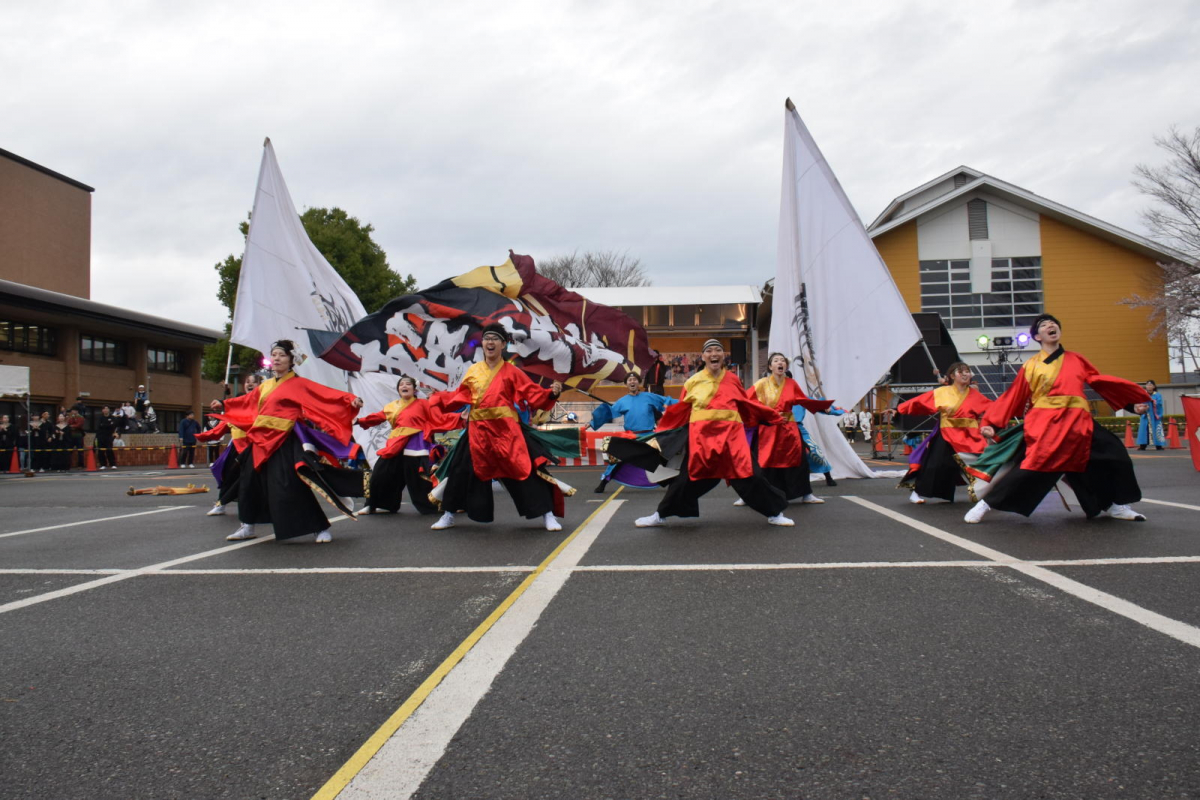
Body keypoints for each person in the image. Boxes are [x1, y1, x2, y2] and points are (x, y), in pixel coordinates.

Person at [964, 314, 1151, 524]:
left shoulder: (1076, 359)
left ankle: (1116, 505)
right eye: (1044, 325)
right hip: (1047, 423)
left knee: (1114, 453)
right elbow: (1013, 396)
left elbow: (1099, 381)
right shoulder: (1031, 365)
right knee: (1032, 469)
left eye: (1053, 323)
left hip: (1080, 422)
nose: (1050, 325)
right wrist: (990, 423)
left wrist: (1130, 404)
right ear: (1037, 336)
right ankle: (986, 504)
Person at [212, 339, 364, 544]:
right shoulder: (264, 386)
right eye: (274, 355)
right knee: (249, 484)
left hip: (284, 439)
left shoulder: (298, 384)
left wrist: (349, 400)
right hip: (259, 441)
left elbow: (324, 395)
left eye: (281, 355)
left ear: (292, 360)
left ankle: (319, 528)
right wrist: (223, 404)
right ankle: (247, 525)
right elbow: (245, 402)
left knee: (290, 484)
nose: (276, 358)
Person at [631, 339, 794, 528]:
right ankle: (660, 514)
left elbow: (746, 404)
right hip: (702, 440)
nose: (714, 353)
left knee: (752, 476)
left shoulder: (733, 379)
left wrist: (770, 416)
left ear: (723, 357)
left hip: (732, 439)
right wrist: (665, 435)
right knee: (686, 479)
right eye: (710, 351)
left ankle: (775, 513)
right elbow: (682, 410)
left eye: (718, 350)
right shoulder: (693, 382)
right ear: (703, 356)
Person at [426, 323, 566, 532]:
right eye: (486, 339)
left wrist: (551, 394)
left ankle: (547, 515)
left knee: (525, 470)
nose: (490, 342)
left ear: (503, 344)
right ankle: (448, 514)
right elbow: (460, 396)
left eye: (495, 339)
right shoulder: (473, 371)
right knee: (459, 470)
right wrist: (438, 399)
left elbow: (532, 394)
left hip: (506, 431)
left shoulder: (512, 372)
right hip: (477, 431)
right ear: (482, 344)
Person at [884, 362, 991, 504]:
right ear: (952, 376)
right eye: (961, 372)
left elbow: (994, 408)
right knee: (935, 465)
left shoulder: (974, 395)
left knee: (980, 464)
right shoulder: (942, 392)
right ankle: (917, 492)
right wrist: (898, 409)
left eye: (967, 371)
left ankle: (987, 494)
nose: (966, 374)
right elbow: (919, 402)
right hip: (946, 434)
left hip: (970, 436)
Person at [743, 353, 834, 505]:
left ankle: (806, 493)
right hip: (769, 428)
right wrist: (769, 414)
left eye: (782, 361)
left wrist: (822, 407)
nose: (780, 363)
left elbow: (804, 400)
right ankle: (748, 495)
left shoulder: (791, 383)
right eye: (776, 360)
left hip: (789, 429)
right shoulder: (761, 384)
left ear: (786, 365)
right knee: (763, 461)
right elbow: (747, 401)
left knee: (799, 460)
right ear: (770, 366)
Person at [356, 376, 454, 516]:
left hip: (416, 444)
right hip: (395, 443)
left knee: (418, 480)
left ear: (414, 390)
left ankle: (435, 504)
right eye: (401, 384)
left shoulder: (423, 404)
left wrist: (458, 418)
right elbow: (376, 417)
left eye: (408, 384)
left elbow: (439, 418)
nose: (404, 385)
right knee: (380, 474)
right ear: (398, 390)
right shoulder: (391, 406)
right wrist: (358, 421)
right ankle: (375, 504)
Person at [589, 372, 677, 493]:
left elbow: (667, 401)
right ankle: (603, 482)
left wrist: (687, 402)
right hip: (631, 436)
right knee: (616, 459)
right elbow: (608, 413)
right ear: (626, 384)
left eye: (635, 379)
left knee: (656, 461)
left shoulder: (649, 397)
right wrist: (592, 422)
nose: (632, 382)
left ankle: (671, 482)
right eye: (629, 380)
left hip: (649, 436)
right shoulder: (622, 401)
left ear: (639, 382)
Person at [198, 373, 262, 517]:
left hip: (255, 447)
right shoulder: (237, 405)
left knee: (253, 479)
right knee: (229, 475)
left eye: (253, 382)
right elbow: (223, 426)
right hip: (237, 447)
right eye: (247, 382)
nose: (250, 384)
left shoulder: (262, 402)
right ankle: (221, 503)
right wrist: (204, 436)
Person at [1136, 379, 1166, 450]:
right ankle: (1142, 445)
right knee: (1144, 429)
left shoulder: (1157, 395)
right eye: (1147, 385)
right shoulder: (1143, 394)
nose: (1149, 386)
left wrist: (1153, 402)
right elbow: (1140, 402)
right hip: (1146, 415)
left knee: (1156, 429)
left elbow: (1159, 403)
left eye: (1150, 385)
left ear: (1154, 386)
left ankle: (1159, 445)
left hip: (1154, 415)